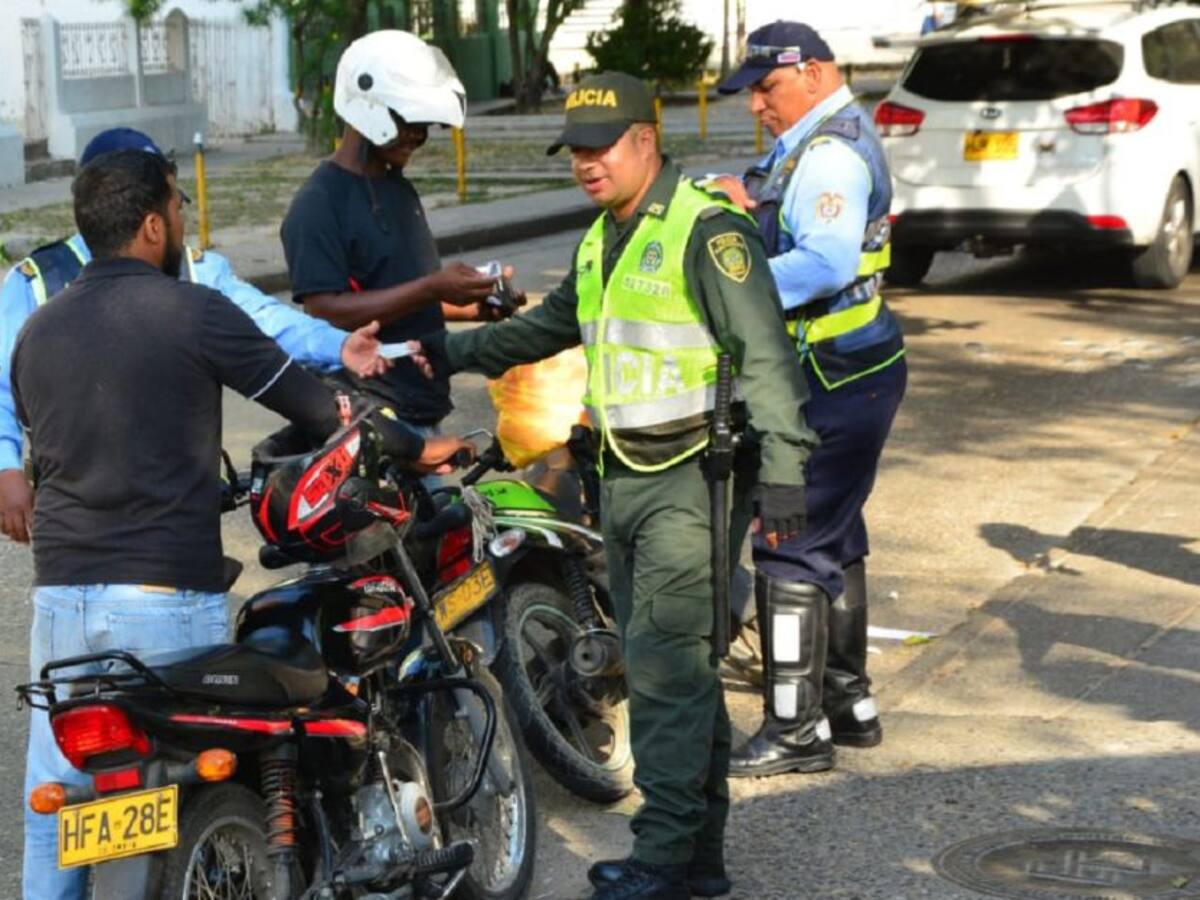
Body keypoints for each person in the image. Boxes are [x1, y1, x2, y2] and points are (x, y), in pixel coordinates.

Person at [12, 148, 468, 900]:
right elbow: (320, 407)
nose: (184, 222)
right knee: (206, 788)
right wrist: (415, 447)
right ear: (152, 225)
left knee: (57, 794)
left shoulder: (39, 331)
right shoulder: (193, 311)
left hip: (61, 603)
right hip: (162, 599)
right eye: (179, 208)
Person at [423, 72, 816, 900]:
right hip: (623, 480)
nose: (586, 164)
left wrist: (785, 476)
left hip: (691, 482)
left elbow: (767, 359)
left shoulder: (707, 233)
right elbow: (546, 327)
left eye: (600, 148)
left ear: (646, 139)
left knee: (666, 672)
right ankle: (698, 857)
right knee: (677, 669)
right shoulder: (604, 237)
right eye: (575, 152)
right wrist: (434, 352)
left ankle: (662, 859)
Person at [0, 127, 390, 545]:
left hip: (175, 507)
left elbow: (264, 320)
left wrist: (338, 345)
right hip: (79, 512)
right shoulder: (38, 280)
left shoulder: (194, 268)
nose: (178, 216)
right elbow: (3, 385)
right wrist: (6, 469)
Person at [714, 21, 908, 777]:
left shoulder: (829, 154)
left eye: (768, 88)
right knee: (835, 533)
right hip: (853, 370)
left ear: (816, 74)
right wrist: (746, 202)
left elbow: (824, 263)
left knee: (788, 538)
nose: (757, 105)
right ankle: (847, 703)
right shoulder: (815, 141)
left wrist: (731, 289)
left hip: (832, 375)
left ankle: (795, 730)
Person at [280, 30, 521, 437]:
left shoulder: (398, 188)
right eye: (408, 121)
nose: (420, 135)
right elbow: (326, 311)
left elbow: (399, 295)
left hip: (421, 405)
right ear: (367, 107)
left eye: (424, 124)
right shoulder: (318, 204)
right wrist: (432, 287)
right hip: (371, 417)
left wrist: (472, 305)